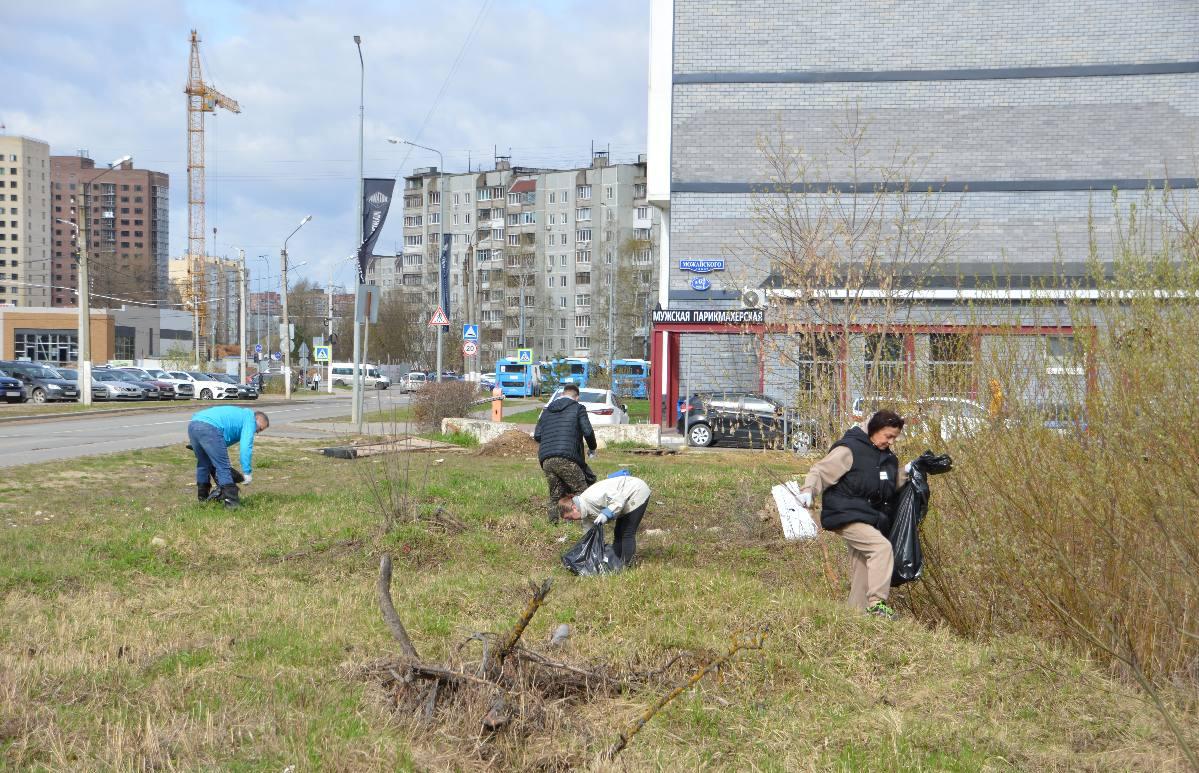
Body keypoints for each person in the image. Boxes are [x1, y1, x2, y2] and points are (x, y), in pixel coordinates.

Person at [799, 409, 909, 619]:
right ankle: (877, 605)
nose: (891, 442)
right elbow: (820, 471)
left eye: (894, 438)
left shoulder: (886, 457)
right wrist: (808, 490)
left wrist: (909, 470)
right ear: (875, 429)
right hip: (845, 513)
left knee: (862, 564)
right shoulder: (850, 449)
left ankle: (856, 616)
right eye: (888, 436)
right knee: (881, 548)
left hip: (868, 516)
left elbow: (887, 485)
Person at [533, 383, 597, 523]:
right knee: (582, 491)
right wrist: (592, 448)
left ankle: (553, 523)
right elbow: (587, 432)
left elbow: (537, 435)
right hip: (567, 457)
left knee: (555, 494)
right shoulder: (578, 408)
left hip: (546, 459)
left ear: (562, 394)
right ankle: (588, 522)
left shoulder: (547, 410)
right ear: (577, 397)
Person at [188, 405, 269, 510]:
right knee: (223, 466)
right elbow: (246, 447)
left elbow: (222, 441)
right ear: (256, 419)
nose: (256, 432)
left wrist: (204, 446)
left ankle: (203, 500)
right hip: (209, 427)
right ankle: (232, 504)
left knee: (203, 464)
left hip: (193, 424)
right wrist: (247, 472)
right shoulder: (249, 420)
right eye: (259, 429)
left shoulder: (239, 416)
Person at [559, 474, 651, 566]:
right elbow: (589, 533)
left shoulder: (592, 497)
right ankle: (616, 562)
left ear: (574, 508)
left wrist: (606, 513)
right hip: (624, 500)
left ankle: (627, 565)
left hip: (635, 491)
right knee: (618, 533)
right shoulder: (584, 513)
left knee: (627, 532)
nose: (571, 520)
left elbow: (618, 500)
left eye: (569, 517)